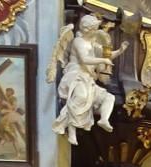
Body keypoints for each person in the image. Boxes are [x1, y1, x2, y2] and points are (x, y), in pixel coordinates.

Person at [50, 14, 129, 145]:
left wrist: (120, 51)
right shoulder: (78, 41)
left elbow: (107, 55)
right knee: (80, 97)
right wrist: (103, 60)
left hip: (87, 78)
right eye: (95, 29)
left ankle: (104, 120)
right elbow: (85, 59)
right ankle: (71, 131)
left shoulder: (93, 43)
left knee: (109, 98)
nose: (96, 31)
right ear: (88, 29)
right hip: (76, 75)